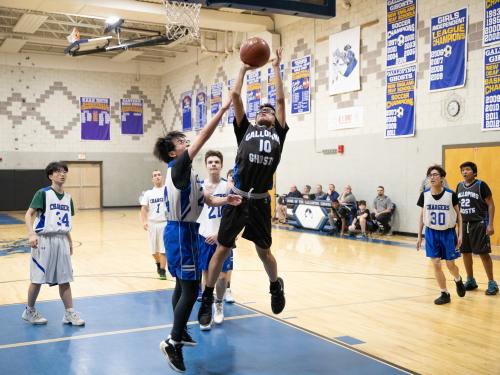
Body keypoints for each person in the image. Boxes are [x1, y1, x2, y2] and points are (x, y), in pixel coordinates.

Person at [198, 47, 288, 329]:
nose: (265, 111)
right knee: (222, 250)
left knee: (264, 252)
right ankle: (208, 299)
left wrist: (275, 67)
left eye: (269, 111)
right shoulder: (245, 129)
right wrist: (243, 70)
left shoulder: (279, 133)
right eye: (261, 109)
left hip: (260, 201)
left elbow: (282, 100)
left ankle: (275, 285)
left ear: (274, 120)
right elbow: (236, 96)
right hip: (237, 199)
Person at [155, 96, 242, 373]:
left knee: (182, 286)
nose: (186, 143)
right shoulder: (178, 167)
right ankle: (173, 340)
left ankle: (179, 332)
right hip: (181, 232)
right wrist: (223, 110)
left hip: (185, 231)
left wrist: (225, 201)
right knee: (191, 289)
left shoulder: (188, 175)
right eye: (181, 142)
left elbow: (205, 198)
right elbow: (202, 138)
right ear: (173, 152)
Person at [22, 161, 85, 326]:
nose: (62, 174)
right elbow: (28, 215)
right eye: (57, 172)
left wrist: (69, 241)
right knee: (37, 278)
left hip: (61, 240)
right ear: (50, 176)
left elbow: (63, 223)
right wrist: (31, 233)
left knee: (65, 277)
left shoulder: (68, 198)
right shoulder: (42, 194)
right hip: (44, 240)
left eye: (64, 171)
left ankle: (69, 313)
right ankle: (29, 311)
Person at [416, 165, 466, 305]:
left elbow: (459, 216)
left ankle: (458, 279)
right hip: (431, 233)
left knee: (450, 265)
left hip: (448, 233)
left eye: (435, 174)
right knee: (436, 264)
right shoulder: (424, 195)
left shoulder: (451, 195)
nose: (432, 177)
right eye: (430, 175)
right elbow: (422, 216)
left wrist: (460, 234)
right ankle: (444, 293)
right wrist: (419, 236)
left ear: (442, 178)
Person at [197, 150, 235, 329]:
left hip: (222, 237)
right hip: (203, 236)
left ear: (221, 165)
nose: (213, 164)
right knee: (206, 275)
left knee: (221, 277)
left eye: (216, 162)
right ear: (206, 165)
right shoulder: (199, 187)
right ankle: (207, 306)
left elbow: (233, 216)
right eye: (210, 161)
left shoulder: (227, 187)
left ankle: (219, 303)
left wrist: (221, 234)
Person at [456, 161, 498, 295]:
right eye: (462, 170)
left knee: (483, 253)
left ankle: (492, 282)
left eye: (467, 169)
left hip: (479, 224)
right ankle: (470, 280)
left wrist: (490, 224)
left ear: (474, 172)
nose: (464, 172)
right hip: (464, 224)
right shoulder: (459, 186)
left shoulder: (481, 185)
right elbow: (458, 208)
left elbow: (491, 205)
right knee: (465, 252)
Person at [140, 170, 167, 280]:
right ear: (152, 179)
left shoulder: (167, 190)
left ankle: (163, 270)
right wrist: (144, 222)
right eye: (155, 175)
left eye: (159, 175)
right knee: (154, 251)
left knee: (163, 249)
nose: (157, 177)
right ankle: (158, 263)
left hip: (165, 223)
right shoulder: (148, 193)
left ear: (162, 177)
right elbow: (144, 208)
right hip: (152, 224)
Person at [223, 169, 236, 304]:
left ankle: (227, 289)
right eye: (230, 176)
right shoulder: (220, 189)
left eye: (234, 176)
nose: (232, 178)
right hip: (212, 232)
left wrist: (236, 232)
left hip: (228, 233)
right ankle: (204, 290)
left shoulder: (237, 193)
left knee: (229, 265)